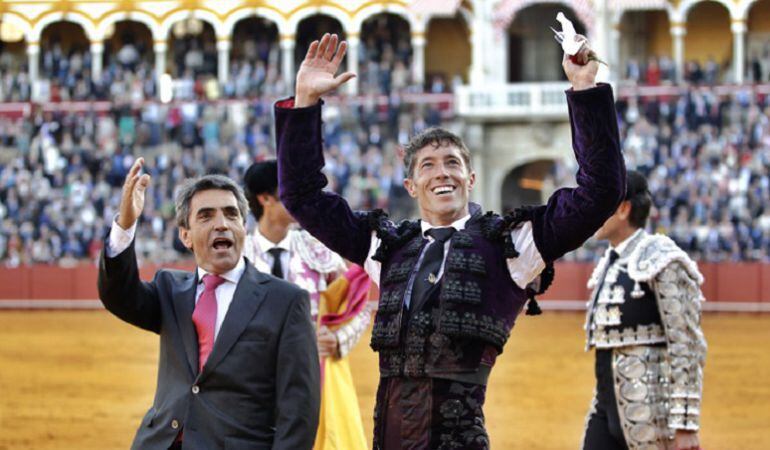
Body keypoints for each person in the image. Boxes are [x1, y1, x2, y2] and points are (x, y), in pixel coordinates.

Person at [275, 33, 626, 449]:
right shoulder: (386, 247)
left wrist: (585, 90)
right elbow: (302, 196)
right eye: (428, 165)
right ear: (411, 184)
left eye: (452, 163)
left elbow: (600, 192)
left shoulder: (512, 245)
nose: (442, 173)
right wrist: (304, 103)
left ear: (470, 179)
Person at [98, 158, 320, 450]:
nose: (221, 224)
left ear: (243, 226)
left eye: (231, 215)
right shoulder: (169, 290)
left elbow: (299, 409)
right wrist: (125, 225)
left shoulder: (286, 301)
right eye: (206, 216)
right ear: (185, 236)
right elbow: (119, 296)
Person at [242, 160, 371, 449]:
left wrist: (338, 339)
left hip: (314, 379)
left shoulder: (316, 249)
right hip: (254, 383)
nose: (300, 201)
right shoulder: (239, 258)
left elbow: (358, 306)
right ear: (265, 199)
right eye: (289, 193)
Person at [581, 170, 706, 450]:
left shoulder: (662, 257)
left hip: (652, 415)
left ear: (624, 209)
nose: (593, 212)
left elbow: (686, 343)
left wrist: (686, 423)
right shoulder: (609, 262)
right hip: (604, 406)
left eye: (603, 203)